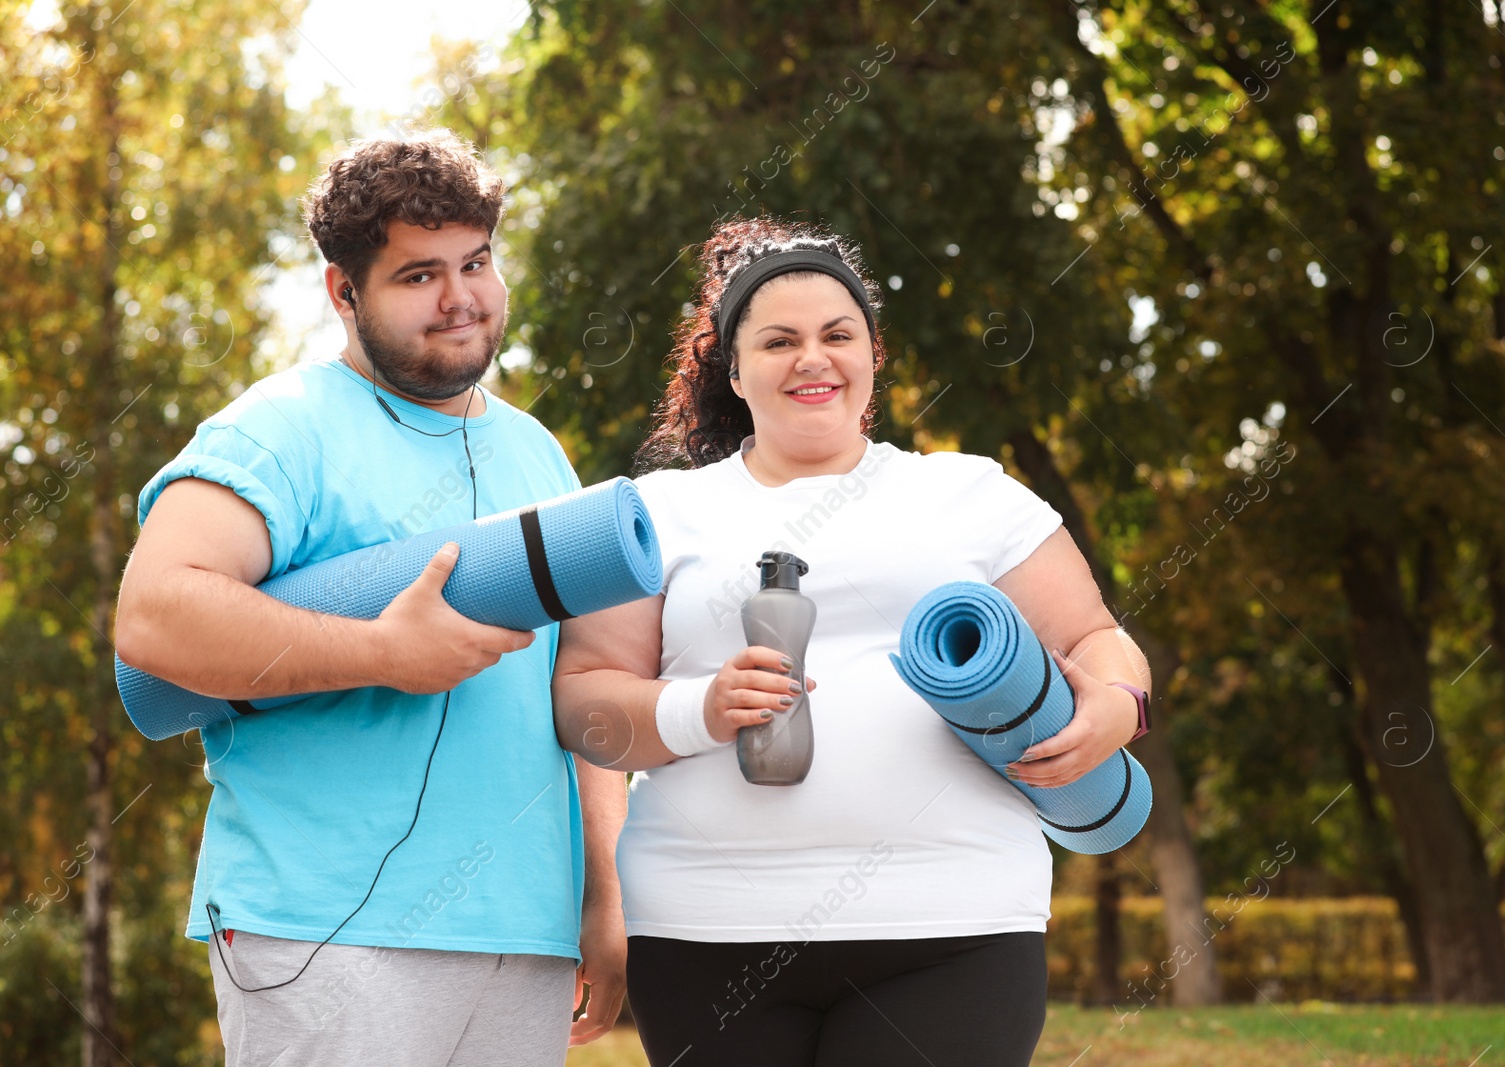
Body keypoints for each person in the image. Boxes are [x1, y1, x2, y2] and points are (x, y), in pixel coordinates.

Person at [553, 217, 1152, 1066]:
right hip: (708, 929)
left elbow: (1097, 638)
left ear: (872, 354)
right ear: (731, 366)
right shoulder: (653, 513)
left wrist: (1117, 706)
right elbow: (583, 700)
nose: (813, 358)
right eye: (779, 340)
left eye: (838, 334)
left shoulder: (968, 491)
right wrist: (700, 708)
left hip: (953, 925)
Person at [115, 130, 625, 1066]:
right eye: (418, 274)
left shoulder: (539, 454)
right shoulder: (281, 428)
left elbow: (579, 684)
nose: (461, 297)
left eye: (476, 262)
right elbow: (153, 614)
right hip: (326, 932)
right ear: (342, 292)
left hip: (523, 929)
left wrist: (605, 890)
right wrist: (385, 655)